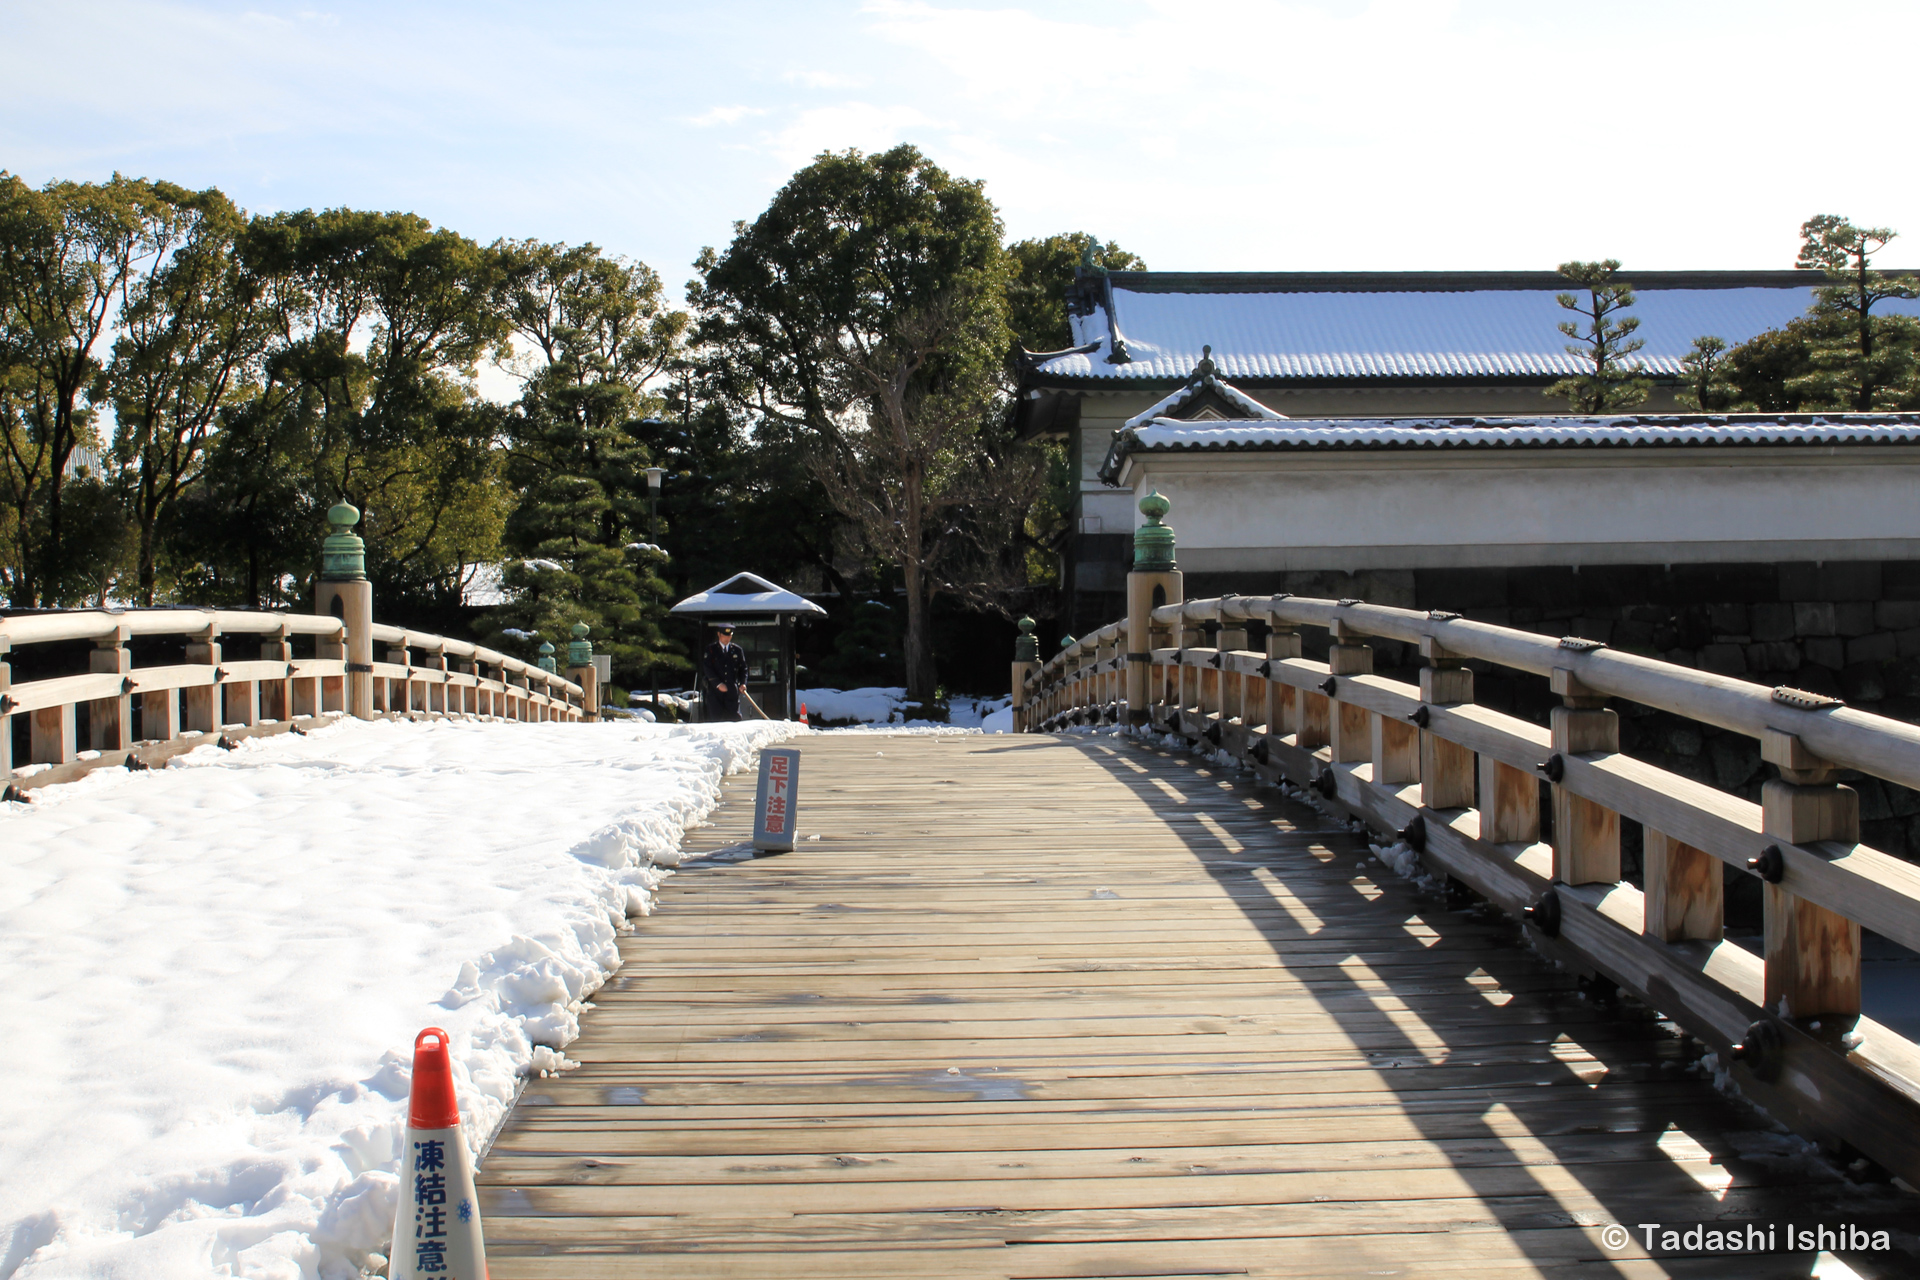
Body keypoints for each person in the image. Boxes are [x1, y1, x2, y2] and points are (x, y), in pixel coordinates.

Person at [701, 624, 749, 721]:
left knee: (734, 718)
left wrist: (743, 683)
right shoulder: (711, 649)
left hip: (731, 690)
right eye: (725, 635)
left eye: (729, 635)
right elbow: (707, 668)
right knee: (716, 719)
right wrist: (718, 684)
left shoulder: (737, 650)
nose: (727, 638)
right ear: (719, 634)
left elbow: (743, 668)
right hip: (715, 691)